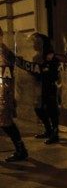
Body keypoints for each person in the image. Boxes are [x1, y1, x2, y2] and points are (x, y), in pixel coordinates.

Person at [0, 27, 28, 162]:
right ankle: (21, 149)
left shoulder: (4, 53)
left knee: (6, 123)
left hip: (3, 95)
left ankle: (21, 150)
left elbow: (6, 76)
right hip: (3, 93)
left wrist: (6, 98)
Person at [30, 33, 63, 144]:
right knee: (38, 108)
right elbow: (34, 72)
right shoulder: (35, 57)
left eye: (37, 42)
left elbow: (54, 73)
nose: (34, 44)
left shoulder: (50, 56)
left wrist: (45, 70)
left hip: (48, 87)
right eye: (34, 42)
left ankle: (55, 133)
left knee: (51, 110)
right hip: (39, 87)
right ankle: (48, 130)